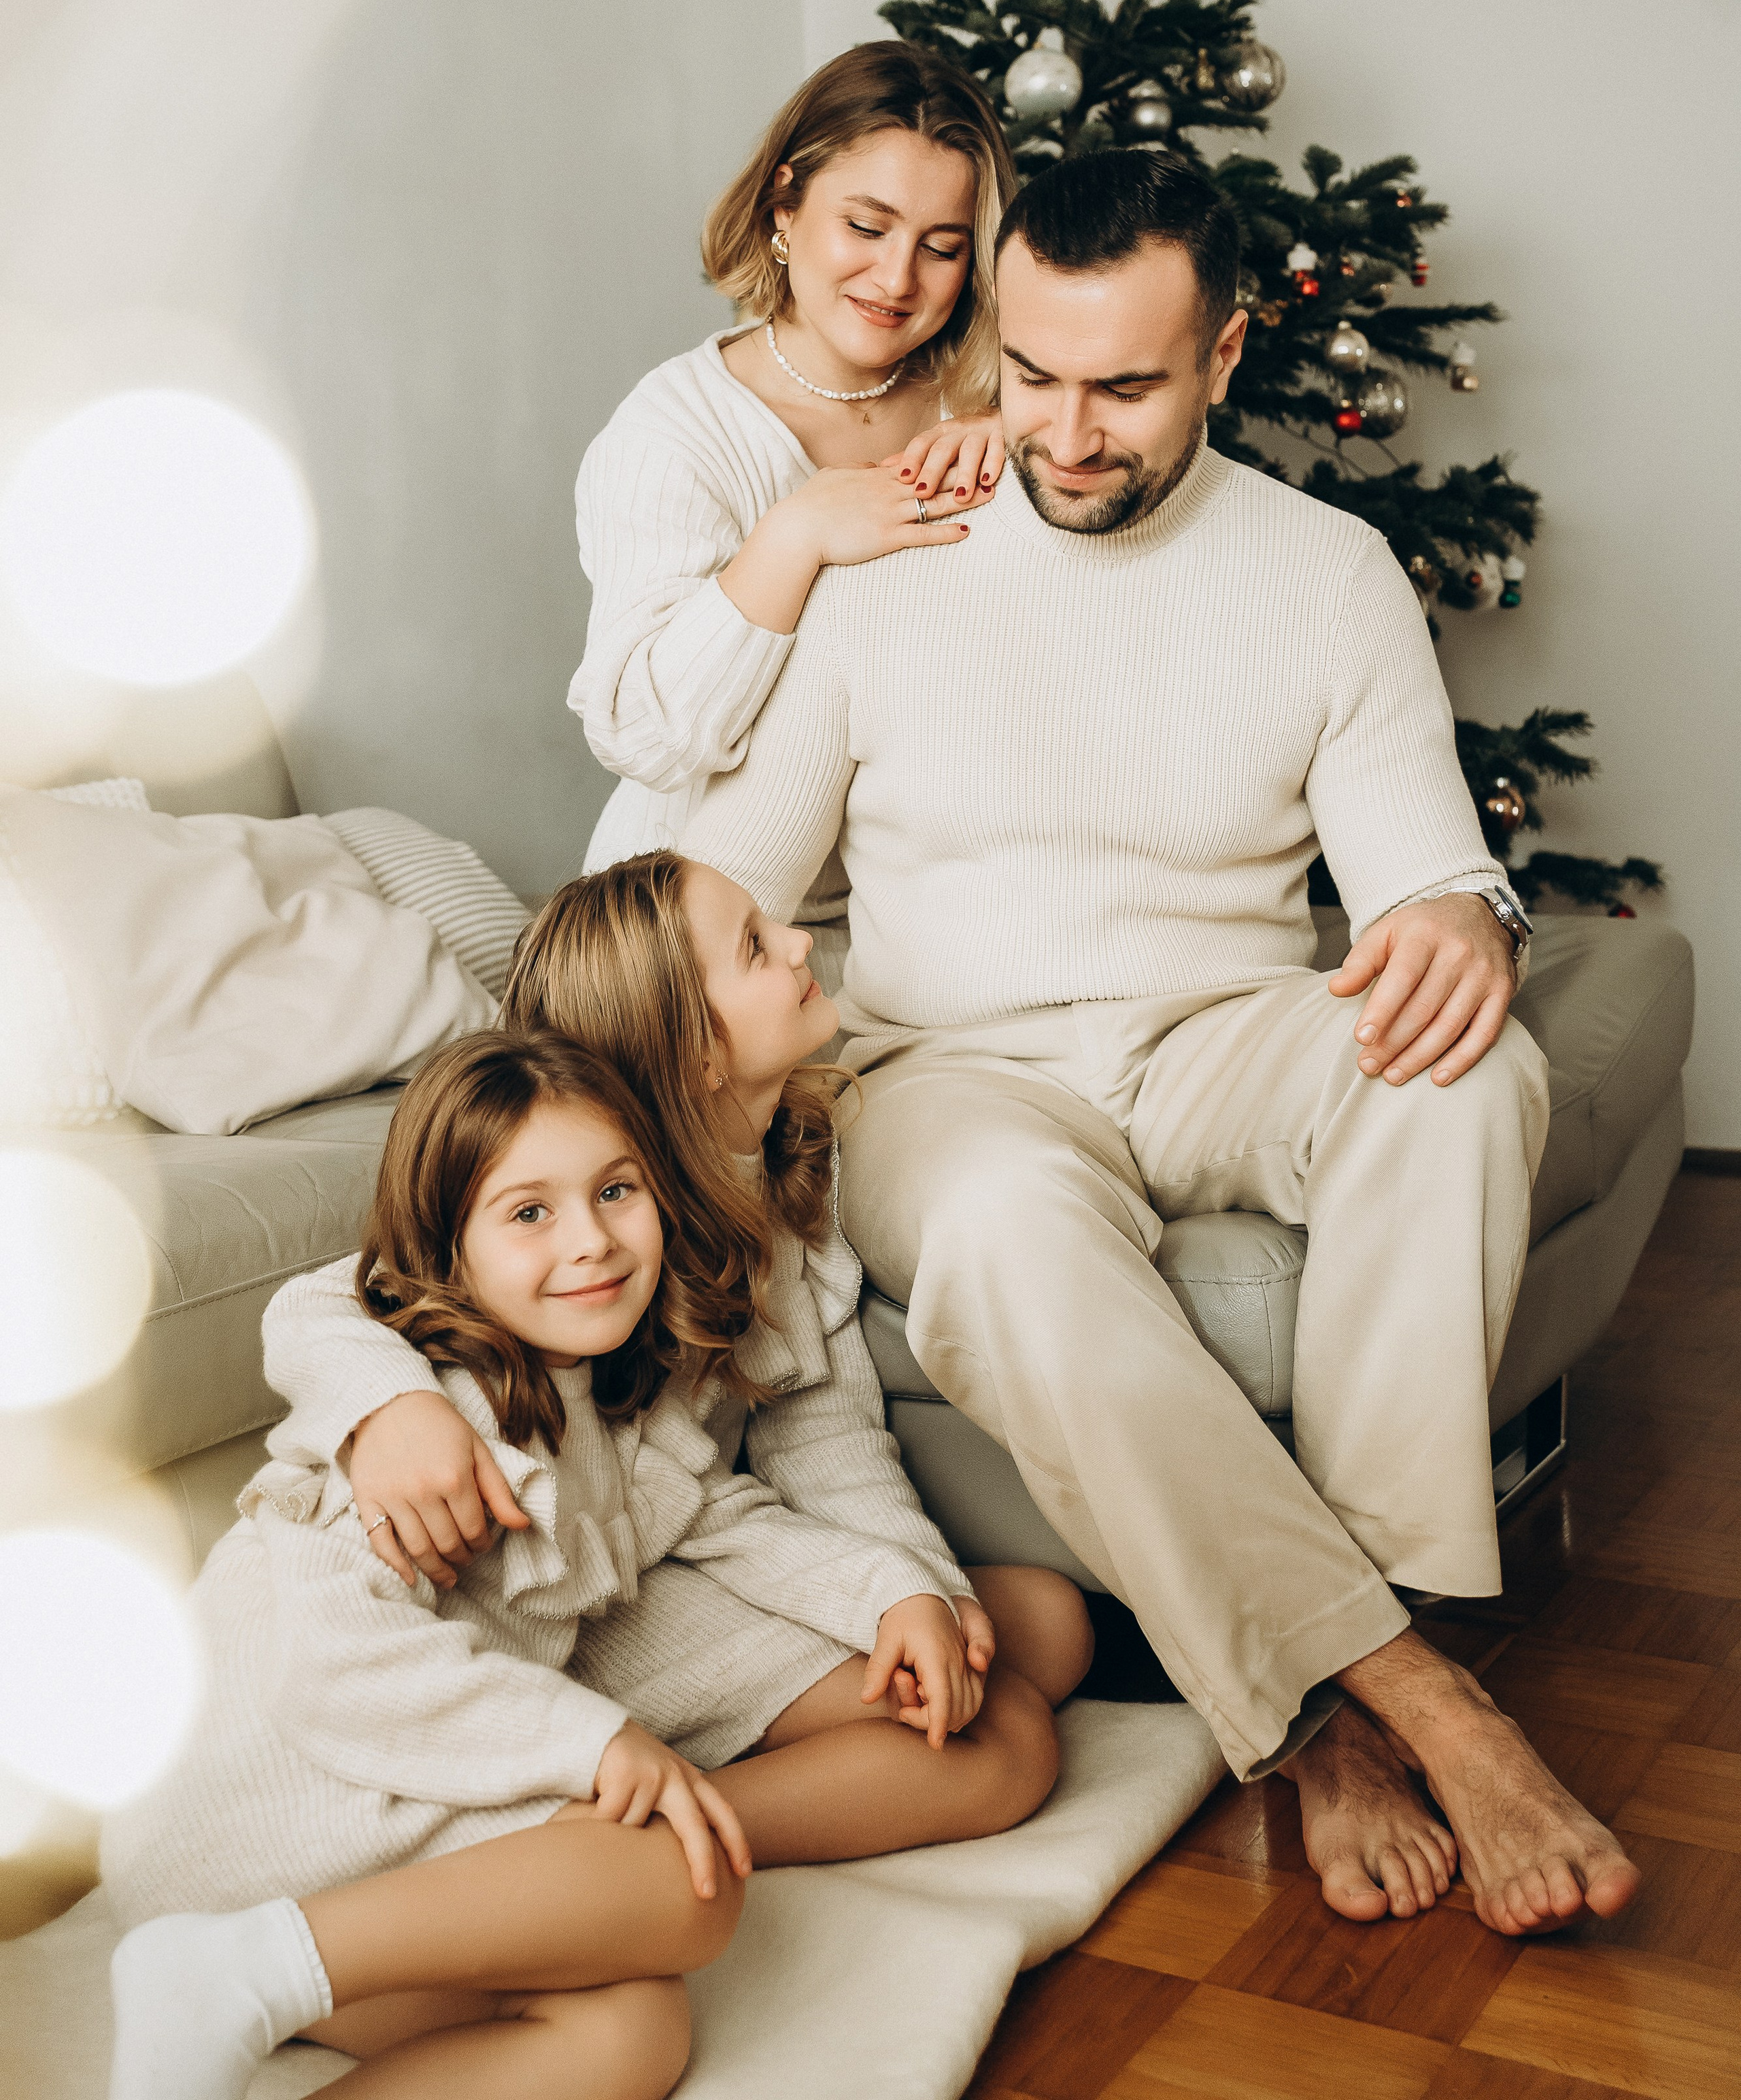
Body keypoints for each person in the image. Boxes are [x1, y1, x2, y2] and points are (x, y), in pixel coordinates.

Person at [677, 147, 1642, 1941]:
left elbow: (1424, 863)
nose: (1066, 432)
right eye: (1031, 374)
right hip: (944, 1066)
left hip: (1221, 1030)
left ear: (1225, 356)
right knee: (996, 1236)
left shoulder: (1328, 570)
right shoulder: (893, 553)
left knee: (1461, 1075)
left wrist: (1453, 911)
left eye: (1124, 385)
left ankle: (1340, 1669)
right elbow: (711, 881)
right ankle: (1406, 1698)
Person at [103, 1031, 1070, 2100]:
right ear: (448, 1248)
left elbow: (712, 1513)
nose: (593, 1243)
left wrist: (894, 1590)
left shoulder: (604, 1387)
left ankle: (243, 1980)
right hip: (266, 1811)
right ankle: (231, 1970)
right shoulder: (443, 1424)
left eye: (617, 1192)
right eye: (530, 1214)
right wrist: (594, 1746)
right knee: (683, 1888)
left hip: (379, 1813)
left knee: (631, 2033)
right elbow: (335, 1672)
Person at [270, 851, 1092, 1731]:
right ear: (697, 1051)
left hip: (705, 1538)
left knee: (1042, 1627)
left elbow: (821, 1436)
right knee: (1001, 1736)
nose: (800, 944)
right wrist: (389, 1406)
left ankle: (695, 1776)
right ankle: (635, 1822)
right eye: (753, 946)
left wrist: (917, 1586)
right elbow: (324, 1299)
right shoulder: (605, 1211)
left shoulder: (785, 1179)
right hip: (610, 1573)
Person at [571, 40, 1015, 989]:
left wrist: (1024, 435)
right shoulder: (672, 433)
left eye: (941, 246)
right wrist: (794, 536)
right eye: (866, 225)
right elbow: (644, 738)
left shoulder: (991, 402)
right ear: (784, 205)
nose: (898, 279)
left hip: (926, 924)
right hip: (706, 943)